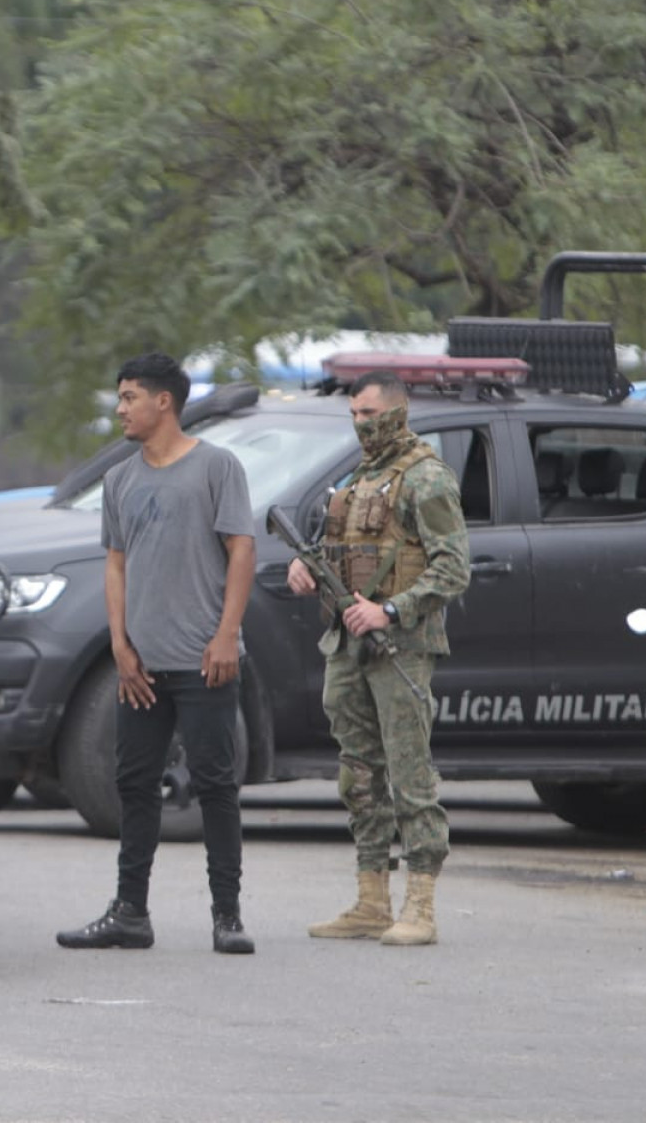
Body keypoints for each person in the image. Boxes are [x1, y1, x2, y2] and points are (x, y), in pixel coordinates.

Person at [57, 352, 257, 956]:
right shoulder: (119, 479)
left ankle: (227, 916)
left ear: (162, 402)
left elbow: (242, 552)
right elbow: (115, 566)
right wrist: (119, 645)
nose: (119, 409)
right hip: (140, 666)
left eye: (128, 397)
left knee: (215, 785)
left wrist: (226, 636)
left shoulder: (217, 467)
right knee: (134, 784)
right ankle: (130, 914)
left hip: (203, 659)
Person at [290, 369, 469, 947]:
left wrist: (390, 612)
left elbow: (453, 569)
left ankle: (421, 905)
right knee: (358, 773)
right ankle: (372, 899)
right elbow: (344, 550)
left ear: (397, 411)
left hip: (400, 648)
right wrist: (309, 568)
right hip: (348, 646)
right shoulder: (360, 480)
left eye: (369, 415)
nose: (361, 425)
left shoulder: (426, 479)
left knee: (410, 774)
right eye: (355, 417)